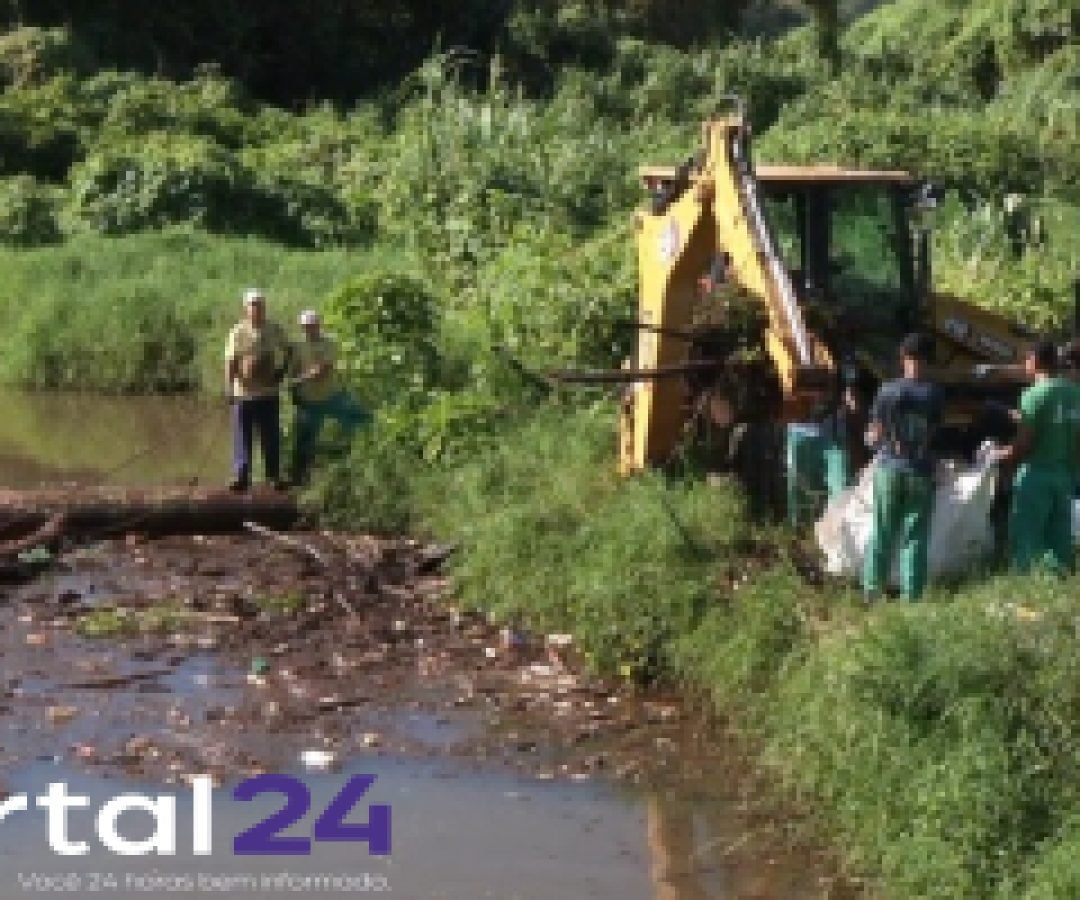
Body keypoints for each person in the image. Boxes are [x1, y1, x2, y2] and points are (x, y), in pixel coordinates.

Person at [862, 333, 943, 601]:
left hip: (889, 469)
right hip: (919, 471)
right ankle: (912, 597)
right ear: (929, 360)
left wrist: (874, 442)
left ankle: (872, 591)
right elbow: (934, 433)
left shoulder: (886, 390)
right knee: (915, 535)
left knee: (883, 531)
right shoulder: (935, 393)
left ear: (903, 357)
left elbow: (874, 434)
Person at [997, 339, 1077, 574]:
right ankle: (1060, 580)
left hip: (1035, 476)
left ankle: (1026, 584)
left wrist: (1002, 454)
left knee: (1026, 538)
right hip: (1065, 475)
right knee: (1060, 538)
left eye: (1026, 359)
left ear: (1035, 360)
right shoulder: (1075, 393)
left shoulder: (1033, 394)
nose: (1025, 364)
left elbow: (1024, 443)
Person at [287, 309, 370, 485]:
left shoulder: (329, 343)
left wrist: (296, 381)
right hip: (309, 401)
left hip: (332, 396)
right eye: (306, 326)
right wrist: (294, 393)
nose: (309, 329)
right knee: (304, 440)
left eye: (312, 325)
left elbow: (322, 371)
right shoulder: (297, 346)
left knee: (360, 419)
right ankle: (299, 478)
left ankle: (358, 457)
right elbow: (293, 370)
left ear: (318, 325)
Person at [225, 288, 291, 491]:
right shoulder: (237, 331)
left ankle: (273, 476)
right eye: (253, 305)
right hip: (243, 393)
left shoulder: (274, 329)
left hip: (268, 392)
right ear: (245, 308)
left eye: (260, 305)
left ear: (264, 307)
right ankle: (241, 476)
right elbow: (230, 361)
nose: (257, 309)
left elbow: (288, 350)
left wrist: (281, 372)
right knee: (242, 436)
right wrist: (229, 388)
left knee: (270, 434)